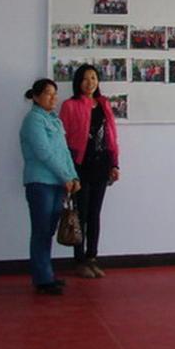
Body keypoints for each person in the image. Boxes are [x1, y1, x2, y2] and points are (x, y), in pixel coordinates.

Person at [59, 64, 120, 279]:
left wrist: (115, 164)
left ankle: (92, 257)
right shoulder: (69, 105)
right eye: (85, 78)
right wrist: (68, 171)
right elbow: (62, 140)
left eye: (93, 78)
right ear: (78, 82)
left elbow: (112, 136)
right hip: (80, 166)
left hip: (101, 166)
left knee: (95, 214)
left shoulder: (103, 104)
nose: (90, 82)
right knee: (81, 215)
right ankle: (79, 261)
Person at [20, 78, 80, 295]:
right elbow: (44, 153)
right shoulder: (33, 120)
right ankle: (42, 278)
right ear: (36, 97)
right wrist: (65, 176)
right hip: (41, 183)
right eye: (48, 93)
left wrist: (73, 176)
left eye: (55, 93)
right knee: (41, 231)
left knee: (49, 230)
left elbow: (63, 152)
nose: (53, 98)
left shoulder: (54, 120)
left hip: (57, 183)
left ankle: (47, 274)